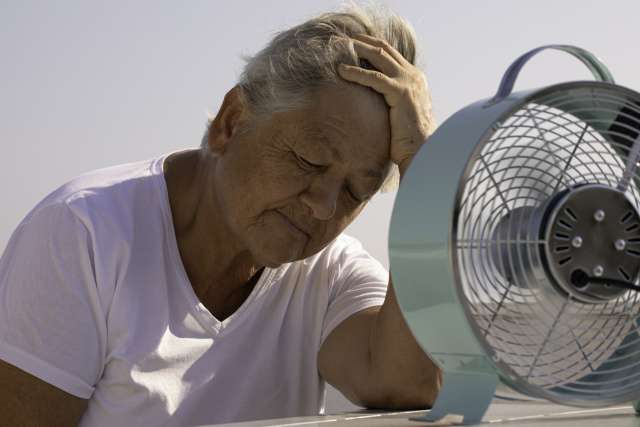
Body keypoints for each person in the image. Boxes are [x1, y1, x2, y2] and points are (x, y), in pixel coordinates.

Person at [0, 5, 440, 426]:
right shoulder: (82, 234)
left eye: (354, 191)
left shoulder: (332, 274)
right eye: (309, 160)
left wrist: (426, 170)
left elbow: (410, 383)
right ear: (231, 122)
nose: (324, 206)